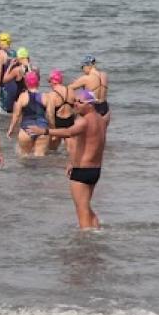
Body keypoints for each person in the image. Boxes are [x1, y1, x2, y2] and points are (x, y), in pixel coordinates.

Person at [44, 90, 109, 229]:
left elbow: (68, 132)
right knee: (85, 206)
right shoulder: (101, 120)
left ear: (90, 105)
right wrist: (72, 162)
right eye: (75, 101)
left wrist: (44, 131)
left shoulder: (84, 121)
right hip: (95, 170)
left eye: (79, 102)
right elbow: (91, 145)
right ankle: (97, 232)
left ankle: (86, 239)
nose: (75, 104)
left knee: (81, 209)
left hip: (82, 171)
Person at [7, 70, 50, 156]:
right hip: (42, 129)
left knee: (24, 157)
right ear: (38, 83)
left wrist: (11, 129)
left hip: (26, 129)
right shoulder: (45, 97)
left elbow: (16, 115)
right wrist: (52, 130)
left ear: (26, 83)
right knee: (40, 157)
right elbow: (50, 115)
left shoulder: (22, 97)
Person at [43, 70, 77, 154]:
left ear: (53, 81)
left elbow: (50, 114)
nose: (50, 84)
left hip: (58, 122)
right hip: (70, 121)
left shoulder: (52, 95)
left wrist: (52, 129)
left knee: (51, 150)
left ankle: (55, 165)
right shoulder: (71, 91)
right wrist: (74, 121)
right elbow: (76, 109)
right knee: (71, 151)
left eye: (50, 81)